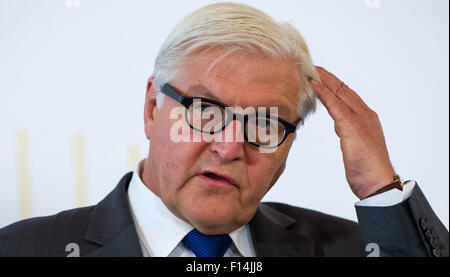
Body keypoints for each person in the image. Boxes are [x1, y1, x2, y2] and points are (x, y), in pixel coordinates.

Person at [0, 2, 447, 257]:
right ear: (153, 107)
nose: (230, 145)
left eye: (266, 123)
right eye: (205, 111)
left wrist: (379, 191)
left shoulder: (349, 249)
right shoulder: (23, 250)